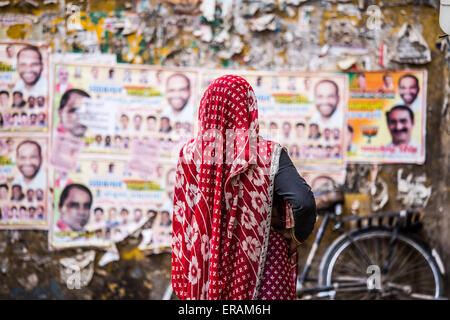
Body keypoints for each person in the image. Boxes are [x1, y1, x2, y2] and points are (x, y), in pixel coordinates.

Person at [171, 75, 316, 300]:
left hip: (204, 269)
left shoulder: (189, 155)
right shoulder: (270, 155)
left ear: (206, 108)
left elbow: (184, 222)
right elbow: (304, 203)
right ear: (248, 108)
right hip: (266, 271)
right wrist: (295, 237)